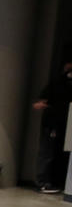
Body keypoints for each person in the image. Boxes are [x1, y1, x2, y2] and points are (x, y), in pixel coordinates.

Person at [32, 57, 72, 194]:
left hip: (65, 125)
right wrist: (45, 106)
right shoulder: (57, 83)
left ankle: (53, 181)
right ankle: (42, 182)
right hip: (52, 123)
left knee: (57, 154)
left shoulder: (65, 84)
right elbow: (38, 103)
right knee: (46, 153)